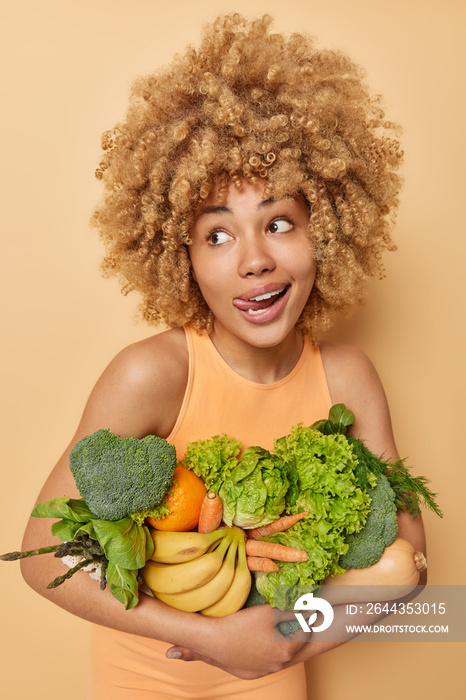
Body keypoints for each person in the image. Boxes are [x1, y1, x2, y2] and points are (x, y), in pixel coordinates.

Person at [20, 12, 426, 700]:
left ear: (324, 229)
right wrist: (211, 639)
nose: (255, 261)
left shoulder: (348, 378)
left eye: (277, 223)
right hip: (139, 678)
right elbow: (39, 557)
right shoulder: (152, 374)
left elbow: (414, 575)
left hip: (272, 675)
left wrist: (289, 638)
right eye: (217, 235)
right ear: (178, 255)